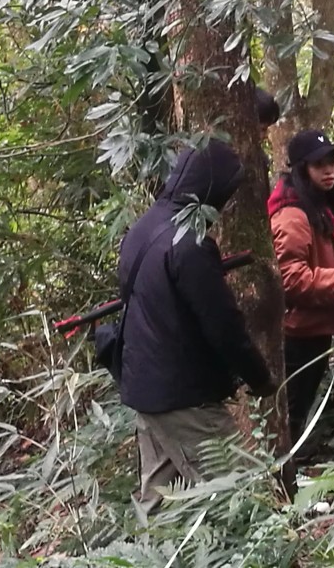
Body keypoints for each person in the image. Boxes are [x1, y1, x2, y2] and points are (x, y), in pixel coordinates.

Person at [118, 140, 277, 515]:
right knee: (240, 495)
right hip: (183, 396)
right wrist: (259, 378)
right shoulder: (189, 243)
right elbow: (223, 326)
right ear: (213, 192)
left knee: (159, 501)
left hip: (144, 386)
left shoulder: (145, 226)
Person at [267, 129, 334, 442]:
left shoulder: (315, 207)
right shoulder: (292, 215)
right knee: (290, 414)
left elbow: (329, 263)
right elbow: (290, 277)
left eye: (332, 162)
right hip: (297, 332)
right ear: (301, 169)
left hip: (314, 327)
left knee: (297, 410)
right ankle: (281, 482)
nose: (329, 170)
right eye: (318, 165)